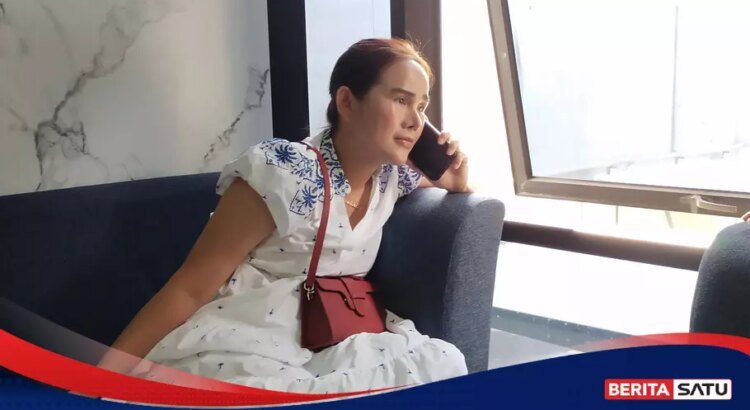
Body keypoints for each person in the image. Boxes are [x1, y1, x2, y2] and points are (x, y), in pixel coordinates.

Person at [98, 38, 471, 393]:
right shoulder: (281, 171)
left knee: (443, 362)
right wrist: (100, 378)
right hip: (251, 337)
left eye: (421, 107)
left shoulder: (393, 177)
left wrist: (453, 178)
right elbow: (190, 286)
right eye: (401, 100)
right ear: (347, 101)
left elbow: (444, 182)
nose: (415, 121)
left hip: (337, 338)